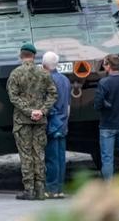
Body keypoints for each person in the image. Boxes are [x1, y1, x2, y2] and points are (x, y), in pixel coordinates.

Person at [6, 43, 57, 200]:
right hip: (40, 121)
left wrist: (29, 111)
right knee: (39, 154)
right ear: (34, 56)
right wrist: (41, 111)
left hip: (22, 122)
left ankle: (29, 190)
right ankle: (41, 190)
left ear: (21, 55)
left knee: (26, 155)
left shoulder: (15, 74)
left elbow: (13, 96)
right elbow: (53, 94)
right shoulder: (44, 73)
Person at [42, 51, 70, 199]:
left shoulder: (46, 80)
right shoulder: (65, 80)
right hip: (63, 123)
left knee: (51, 158)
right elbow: (68, 105)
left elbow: (47, 104)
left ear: (44, 65)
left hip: (52, 123)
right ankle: (59, 189)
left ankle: (51, 189)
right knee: (60, 158)